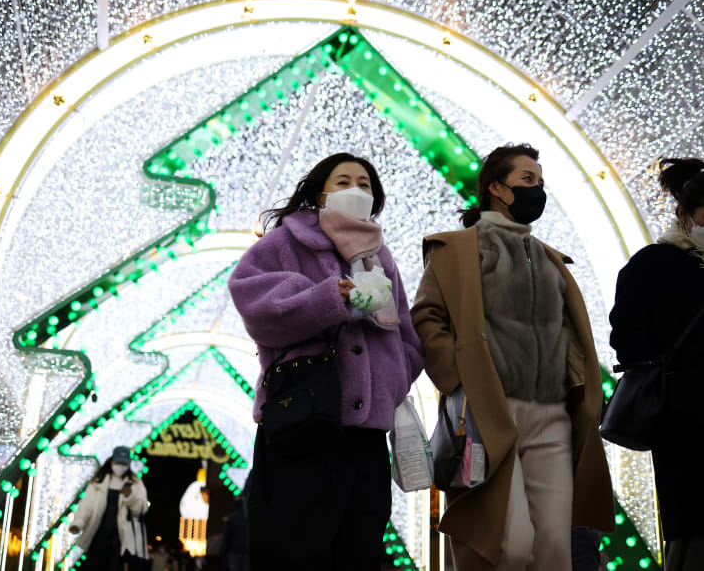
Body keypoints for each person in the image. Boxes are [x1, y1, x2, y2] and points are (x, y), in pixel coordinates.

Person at [410, 143, 615, 570]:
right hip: (489, 413)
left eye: (539, 182)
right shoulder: (456, 251)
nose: (537, 190)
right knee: (509, 543)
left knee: (555, 548)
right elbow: (428, 318)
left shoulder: (550, 259)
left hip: (552, 413)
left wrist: (581, 393)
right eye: (527, 180)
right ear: (497, 189)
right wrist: (459, 379)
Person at [228, 152, 424, 571]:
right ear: (320, 193)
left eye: (365, 184)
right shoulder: (284, 243)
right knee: (292, 548)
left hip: (366, 436)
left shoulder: (381, 256)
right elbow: (255, 302)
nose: (355, 189)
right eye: (343, 182)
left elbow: (404, 332)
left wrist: (394, 378)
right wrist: (333, 297)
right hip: (304, 421)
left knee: (359, 549)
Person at [609, 157, 704, 571]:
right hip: (687, 428)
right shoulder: (653, 264)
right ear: (684, 214)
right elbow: (625, 336)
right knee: (693, 534)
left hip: (682, 422)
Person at [70, 446, 150, 571]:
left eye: (124, 464)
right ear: (112, 461)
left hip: (121, 538)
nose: (120, 467)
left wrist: (130, 496)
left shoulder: (135, 483)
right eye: (118, 463)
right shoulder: (98, 482)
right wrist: (79, 523)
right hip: (98, 534)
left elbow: (141, 509)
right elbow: (87, 506)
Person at [219, 498, 249, 571]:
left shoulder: (231, 518)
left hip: (234, 551)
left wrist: (223, 550)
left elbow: (227, 536)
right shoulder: (246, 518)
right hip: (245, 550)